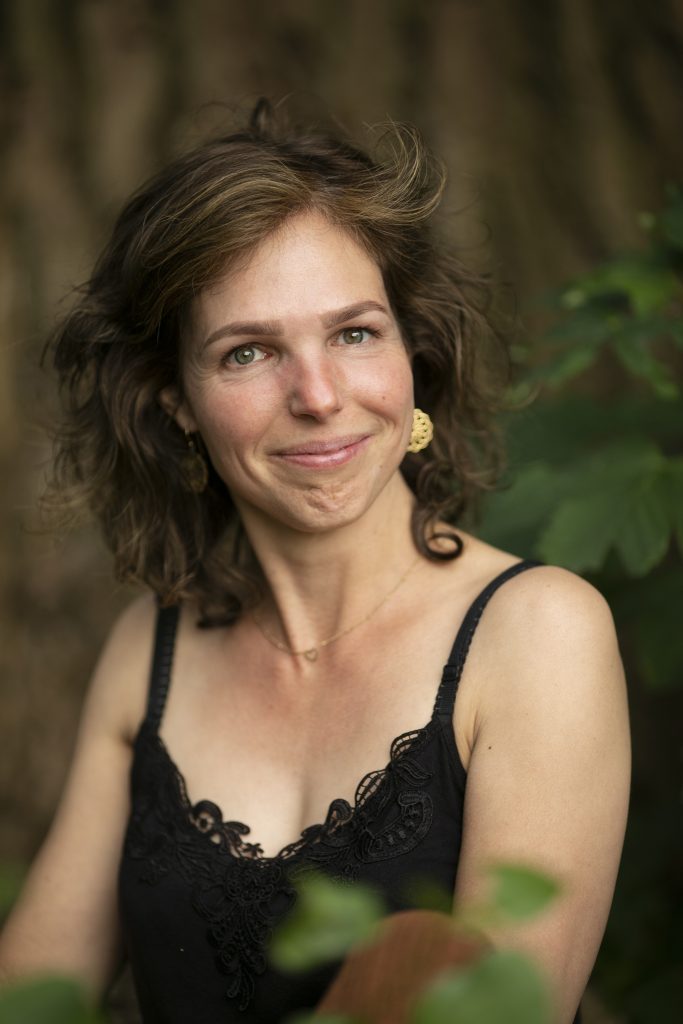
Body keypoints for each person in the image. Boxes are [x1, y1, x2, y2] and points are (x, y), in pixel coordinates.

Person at [0, 99, 630, 1024]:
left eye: (354, 333)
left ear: (411, 348)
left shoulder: (537, 632)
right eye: (248, 352)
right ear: (175, 401)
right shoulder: (151, 649)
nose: (319, 395)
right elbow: (30, 997)